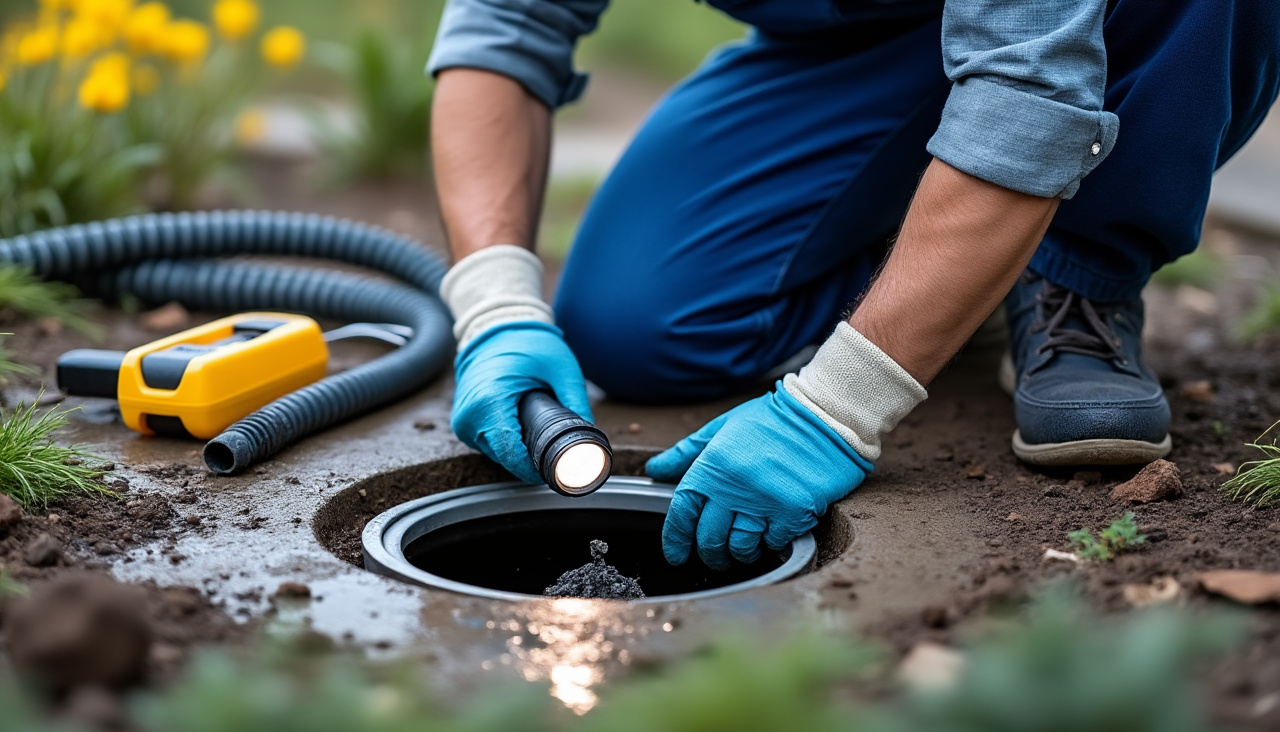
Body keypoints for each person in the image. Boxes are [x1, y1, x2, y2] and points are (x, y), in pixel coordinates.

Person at [428, 0, 1280, 571]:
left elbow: (1029, 88)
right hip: (862, 42)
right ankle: (961, 273)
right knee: (635, 325)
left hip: (1098, 19)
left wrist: (836, 408)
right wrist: (497, 306)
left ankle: (1076, 268)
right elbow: (505, 25)